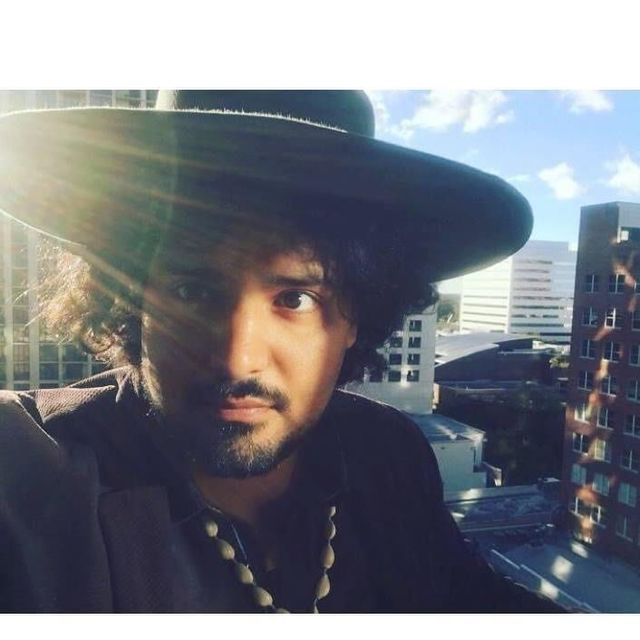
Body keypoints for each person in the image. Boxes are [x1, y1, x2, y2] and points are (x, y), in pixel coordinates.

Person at [0, 91, 563, 613]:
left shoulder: (386, 452)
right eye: (192, 292)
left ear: (356, 316)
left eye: (295, 298)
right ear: (130, 301)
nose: (235, 358)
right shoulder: (35, 473)